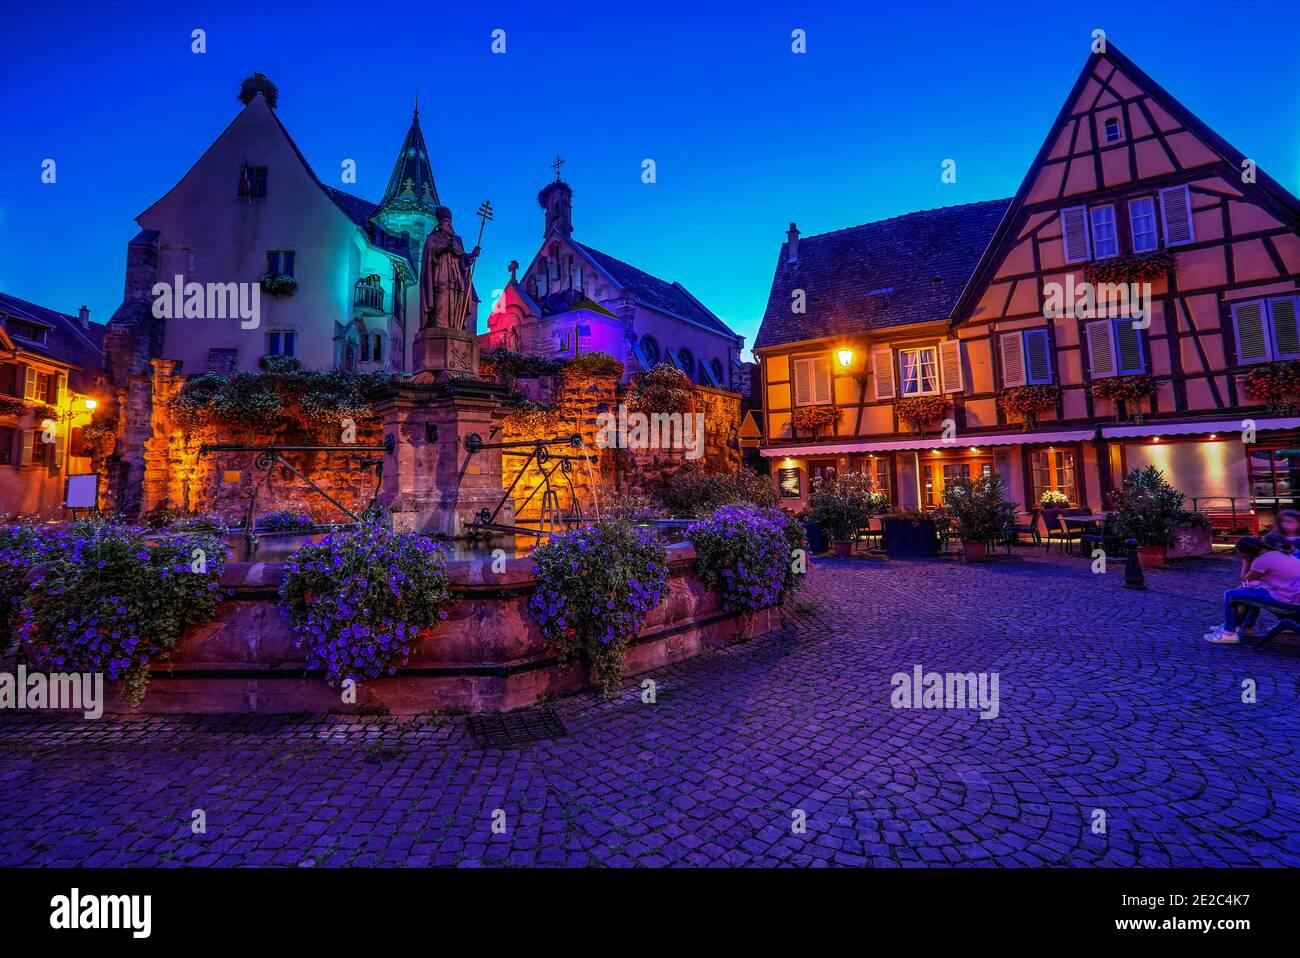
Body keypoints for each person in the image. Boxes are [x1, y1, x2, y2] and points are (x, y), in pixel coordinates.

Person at [1204, 535, 1300, 644]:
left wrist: (1246, 561)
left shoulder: (1262, 560)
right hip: (1294, 597)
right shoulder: (1280, 553)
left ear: (1246, 552)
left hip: (1288, 601)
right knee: (1247, 593)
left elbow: (1246, 580)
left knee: (1231, 594)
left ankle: (1228, 633)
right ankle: (1238, 626)